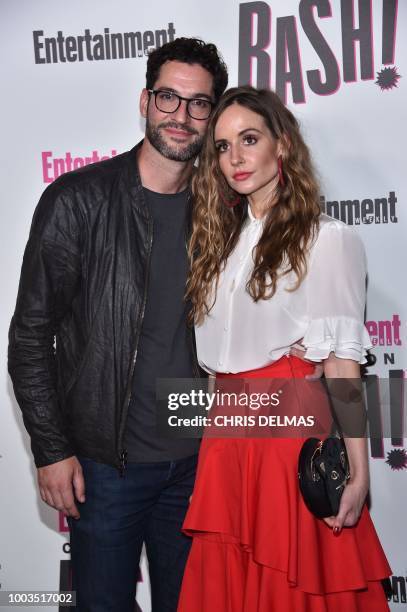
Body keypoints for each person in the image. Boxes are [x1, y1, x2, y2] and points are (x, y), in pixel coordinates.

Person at [8, 38, 228, 612]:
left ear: (213, 115)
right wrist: (51, 451)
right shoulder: (77, 201)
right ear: (145, 101)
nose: (182, 116)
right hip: (105, 468)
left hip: (199, 467)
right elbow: (30, 335)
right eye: (169, 98)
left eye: (199, 104)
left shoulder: (226, 213)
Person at [177, 86, 391, 611]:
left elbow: (341, 362)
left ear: (284, 145)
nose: (236, 158)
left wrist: (358, 472)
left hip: (286, 442)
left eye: (249, 139)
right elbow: (215, 368)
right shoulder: (217, 248)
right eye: (223, 147)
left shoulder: (328, 239)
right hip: (226, 444)